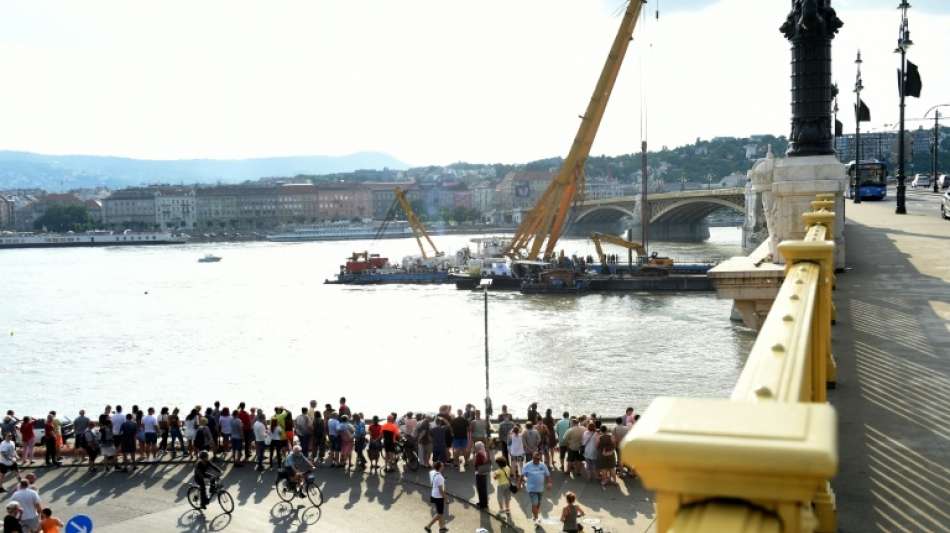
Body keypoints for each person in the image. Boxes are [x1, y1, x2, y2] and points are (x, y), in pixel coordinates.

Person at [521, 452, 552, 525]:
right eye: (535, 458)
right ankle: (536, 518)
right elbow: (522, 475)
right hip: (531, 489)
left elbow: (547, 475)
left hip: (540, 489)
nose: (537, 460)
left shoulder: (543, 465)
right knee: (535, 503)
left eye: (538, 459)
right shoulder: (527, 465)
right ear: (532, 458)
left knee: (538, 504)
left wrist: (549, 483)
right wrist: (519, 484)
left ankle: (535, 516)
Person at [424, 461, 447, 533]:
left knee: (440, 513)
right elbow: (441, 490)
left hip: (433, 495)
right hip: (438, 497)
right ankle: (428, 526)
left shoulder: (432, 473)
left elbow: (432, 473)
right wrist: (446, 498)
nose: (443, 467)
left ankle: (442, 528)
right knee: (439, 514)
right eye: (442, 466)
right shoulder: (440, 477)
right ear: (440, 467)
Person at [473, 441, 490, 510]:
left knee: (480, 489)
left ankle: (482, 504)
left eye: (475, 447)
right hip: (484, 472)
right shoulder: (484, 452)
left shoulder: (479, 454)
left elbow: (476, 463)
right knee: (483, 488)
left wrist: (474, 457)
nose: (474, 448)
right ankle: (484, 503)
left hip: (479, 473)